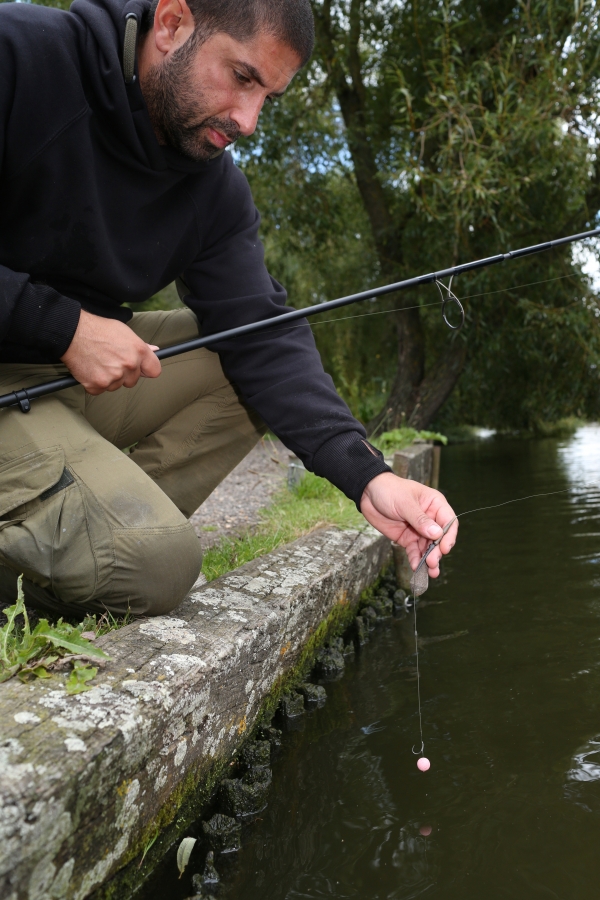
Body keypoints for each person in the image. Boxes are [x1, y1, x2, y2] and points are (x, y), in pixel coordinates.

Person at [0, 0, 458, 618]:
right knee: (162, 568)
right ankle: (100, 549)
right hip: (25, 365)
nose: (249, 120)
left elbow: (263, 336)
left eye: (269, 96)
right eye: (243, 77)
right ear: (172, 23)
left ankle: (98, 527)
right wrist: (65, 327)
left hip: (57, 381)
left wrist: (369, 477)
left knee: (232, 353)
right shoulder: (19, 54)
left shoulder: (212, 182)